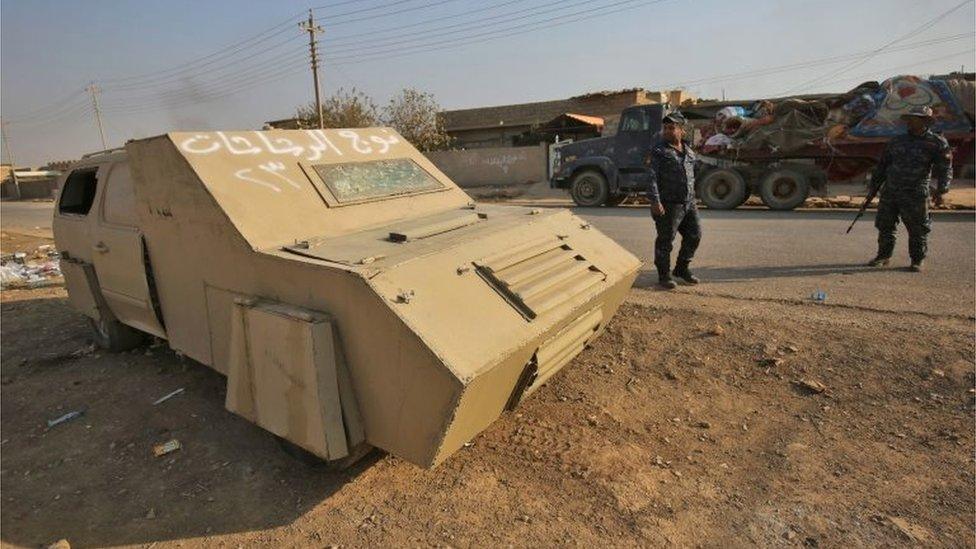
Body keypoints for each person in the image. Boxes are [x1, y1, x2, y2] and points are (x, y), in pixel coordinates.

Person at [867, 105, 952, 272]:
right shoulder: (896, 141)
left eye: (914, 119)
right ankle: (883, 256)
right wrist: (874, 186)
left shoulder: (936, 143)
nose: (910, 122)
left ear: (924, 121)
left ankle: (917, 260)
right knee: (885, 226)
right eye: (909, 119)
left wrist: (942, 190)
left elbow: (945, 168)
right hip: (891, 191)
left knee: (918, 229)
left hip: (915, 193)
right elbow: (883, 165)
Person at [647, 112, 701, 290]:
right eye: (665, 128)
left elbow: (693, 175)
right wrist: (655, 201)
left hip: (688, 203)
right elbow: (651, 177)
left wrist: (694, 196)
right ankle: (664, 275)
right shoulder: (659, 151)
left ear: (682, 130)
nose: (667, 131)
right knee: (665, 240)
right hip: (668, 204)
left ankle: (681, 268)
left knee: (695, 235)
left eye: (672, 128)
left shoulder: (690, 152)